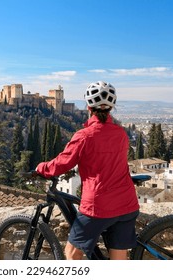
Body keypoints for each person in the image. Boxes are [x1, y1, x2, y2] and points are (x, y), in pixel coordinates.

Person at [36, 81, 139, 260]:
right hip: (127, 203)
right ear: (111, 108)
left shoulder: (84, 136)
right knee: (119, 261)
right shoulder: (121, 134)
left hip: (99, 206)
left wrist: (41, 168)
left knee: (72, 255)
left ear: (88, 106)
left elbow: (63, 163)